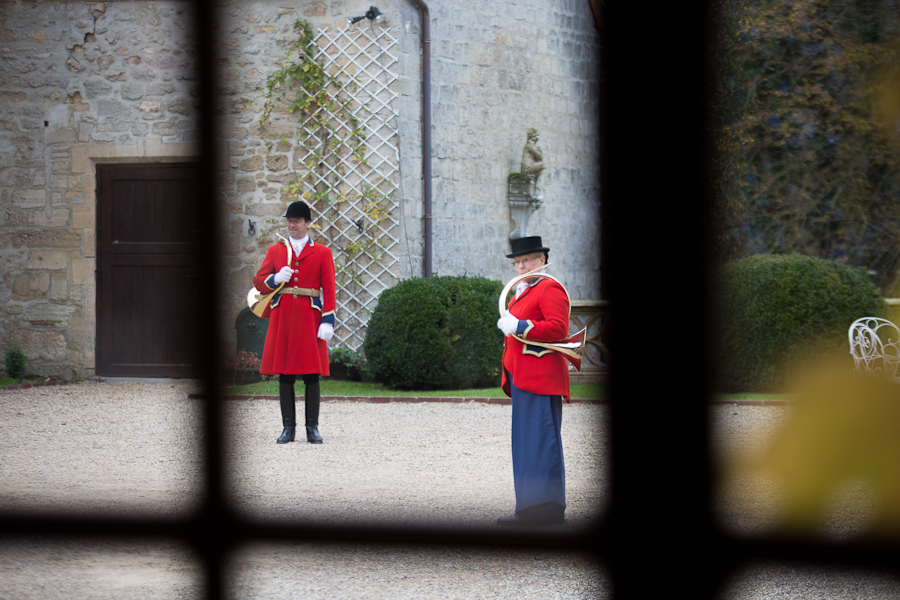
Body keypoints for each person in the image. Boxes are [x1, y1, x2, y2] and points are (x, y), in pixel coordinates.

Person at [496, 236, 569, 526]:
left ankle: (543, 510)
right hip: (522, 375)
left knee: (540, 442)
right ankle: (531, 507)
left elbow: (558, 328)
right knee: (527, 443)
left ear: (542, 260)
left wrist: (521, 325)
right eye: (517, 262)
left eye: (526, 260)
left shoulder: (549, 287)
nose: (521, 266)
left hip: (539, 376)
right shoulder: (521, 292)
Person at [254, 201, 336, 444]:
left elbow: (329, 291)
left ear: (307, 223)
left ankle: (312, 428)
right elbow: (258, 282)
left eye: (296, 222)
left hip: (310, 317)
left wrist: (328, 320)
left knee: (312, 374)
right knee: (285, 375)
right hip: (284, 318)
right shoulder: (275, 251)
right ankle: (288, 428)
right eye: (289, 221)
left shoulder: (322, 252)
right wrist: (275, 278)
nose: (291, 225)